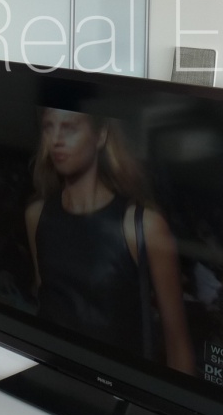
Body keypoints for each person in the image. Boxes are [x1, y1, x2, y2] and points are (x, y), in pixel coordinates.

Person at [24, 107, 195, 374]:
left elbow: (177, 345)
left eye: (69, 127)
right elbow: (45, 305)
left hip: (122, 387)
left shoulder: (142, 226)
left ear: (101, 135)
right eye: (49, 127)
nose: (56, 139)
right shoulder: (37, 216)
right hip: (55, 377)